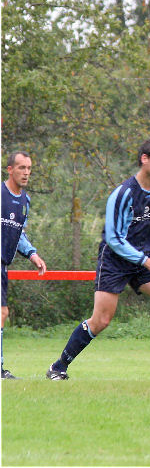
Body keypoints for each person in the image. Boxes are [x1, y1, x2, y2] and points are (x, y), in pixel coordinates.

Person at [46, 140, 150, 381]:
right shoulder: (124, 193)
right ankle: (58, 366)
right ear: (144, 159)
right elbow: (114, 239)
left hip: (144, 259)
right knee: (101, 320)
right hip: (115, 261)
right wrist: (146, 261)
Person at [1, 151, 47, 380]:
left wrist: (32, 254)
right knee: (2, 313)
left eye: (29, 168)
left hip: (3, 265)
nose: (26, 172)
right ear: (10, 169)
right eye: (21, 168)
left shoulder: (25, 201)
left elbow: (19, 234)